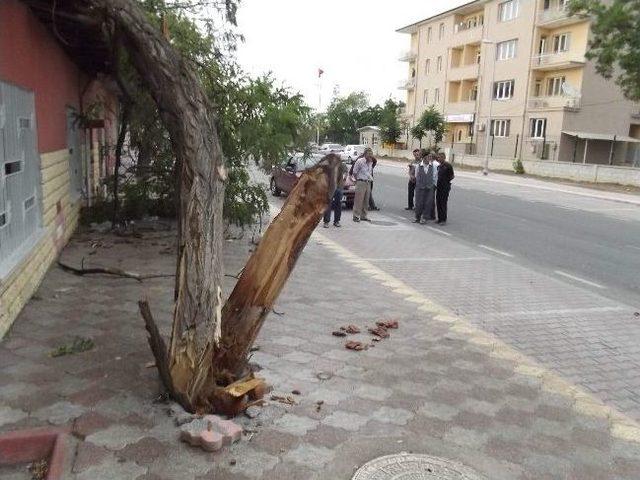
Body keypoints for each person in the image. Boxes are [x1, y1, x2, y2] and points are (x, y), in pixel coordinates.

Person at [413, 151, 438, 224]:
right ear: (424, 158)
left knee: (428, 203)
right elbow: (416, 176)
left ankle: (424, 218)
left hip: (429, 187)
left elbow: (435, 176)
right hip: (420, 187)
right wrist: (419, 185)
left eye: (430, 157)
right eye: (428, 157)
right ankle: (417, 217)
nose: (429, 158)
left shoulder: (432, 166)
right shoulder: (418, 166)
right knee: (419, 203)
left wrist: (433, 185)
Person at [351, 148, 375, 222]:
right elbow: (354, 172)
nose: (370, 156)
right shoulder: (359, 161)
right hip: (361, 181)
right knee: (359, 200)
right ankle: (355, 216)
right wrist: (357, 180)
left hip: (368, 182)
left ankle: (364, 216)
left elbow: (370, 172)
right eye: (369, 154)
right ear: (365, 154)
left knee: (366, 200)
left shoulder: (370, 162)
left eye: (371, 154)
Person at [324, 161, 347, 228]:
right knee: (328, 205)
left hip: (339, 187)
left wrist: (344, 179)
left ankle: (336, 221)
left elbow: (346, 172)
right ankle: (326, 222)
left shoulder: (342, 165)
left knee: (339, 204)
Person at [436, 151, 454, 224]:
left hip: (445, 187)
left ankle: (443, 219)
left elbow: (452, 176)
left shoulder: (448, 165)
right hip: (439, 186)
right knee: (438, 202)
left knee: (443, 203)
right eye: (438, 157)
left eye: (440, 157)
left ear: (444, 157)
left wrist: (446, 182)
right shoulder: (439, 166)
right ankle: (439, 218)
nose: (439, 158)